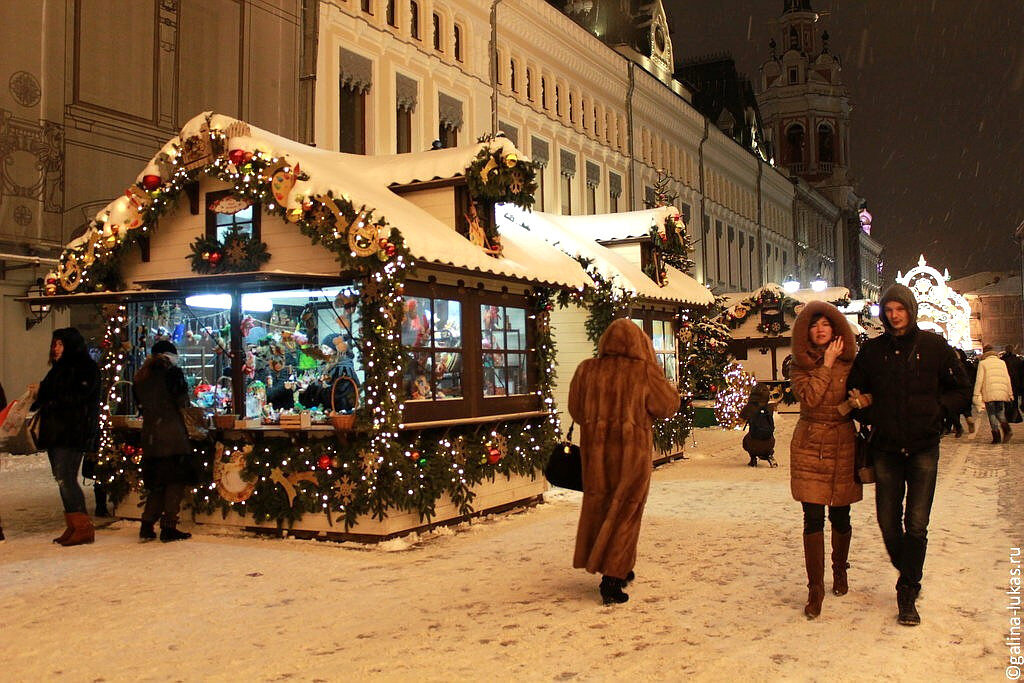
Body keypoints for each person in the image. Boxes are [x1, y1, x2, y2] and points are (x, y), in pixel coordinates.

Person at [847, 283, 970, 626]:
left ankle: (907, 590)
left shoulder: (933, 346)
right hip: (885, 447)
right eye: (888, 310)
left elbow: (961, 389)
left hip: (923, 447)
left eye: (899, 309)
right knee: (888, 523)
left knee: (916, 524)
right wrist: (871, 414)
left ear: (910, 310)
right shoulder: (872, 352)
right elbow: (854, 393)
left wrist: (938, 409)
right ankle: (911, 569)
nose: (894, 315)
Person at [568, 318, 680, 605]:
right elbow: (667, 405)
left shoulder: (586, 370)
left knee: (601, 508)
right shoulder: (643, 372)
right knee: (627, 513)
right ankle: (613, 579)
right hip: (632, 457)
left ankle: (616, 565)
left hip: (596, 457)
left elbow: (577, 411)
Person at [788, 301, 863, 619]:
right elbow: (809, 398)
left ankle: (840, 570)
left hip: (844, 443)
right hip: (810, 444)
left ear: (836, 329)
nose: (820, 329)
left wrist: (860, 400)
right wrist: (826, 364)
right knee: (813, 518)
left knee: (841, 517)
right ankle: (815, 589)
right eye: (814, 325)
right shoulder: (799, 364)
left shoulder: (852, 363)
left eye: (826, 324)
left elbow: (868, 393)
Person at [31, 327, 101, 546]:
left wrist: (44, 392)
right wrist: (40, 392)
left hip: (72, 432)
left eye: (60, 344)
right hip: (58, 432)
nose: (55, 349)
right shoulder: (60, 369)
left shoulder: (84, 368)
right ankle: (74, 524)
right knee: (62, 478)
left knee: (66, 478)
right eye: (55, 344)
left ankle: (82, 527)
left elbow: (76, 398)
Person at [133, 340, 194, 542]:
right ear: (170, 355)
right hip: (172, 434)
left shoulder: (141, 376)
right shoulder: (172, 373)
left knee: (157, 483)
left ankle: (147, 524)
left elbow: (140, 405)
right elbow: (182, 400)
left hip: (150, 434)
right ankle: (169, 527)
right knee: (174, 481)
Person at [974, 344, 1013, 444]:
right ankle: (1007, 429)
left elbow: (979, 380)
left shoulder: (983, 363)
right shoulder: (1002, 362)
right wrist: (1010, 392)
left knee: (991, 414)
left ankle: (996, 436)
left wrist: (976, 394)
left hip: (989, 392)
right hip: (1001, 392)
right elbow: (1007, 378)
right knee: (1000, 412)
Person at [739, 384, 778, 467]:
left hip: (753, 442)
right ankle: (769, 455)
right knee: (767, 441)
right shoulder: (769, 407)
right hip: (770, 442)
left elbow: (741, 418)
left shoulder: (750, 407)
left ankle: (753, 458)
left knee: (746, 441)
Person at [1000, 345, 1023, 422]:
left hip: (1005, 383)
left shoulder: (1002, 360)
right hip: (1015, 383)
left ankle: (1008, 416)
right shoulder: (1017, 360)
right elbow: (1021, 373)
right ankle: (1015, 417)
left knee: (1006, 401)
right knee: (1015, 400)